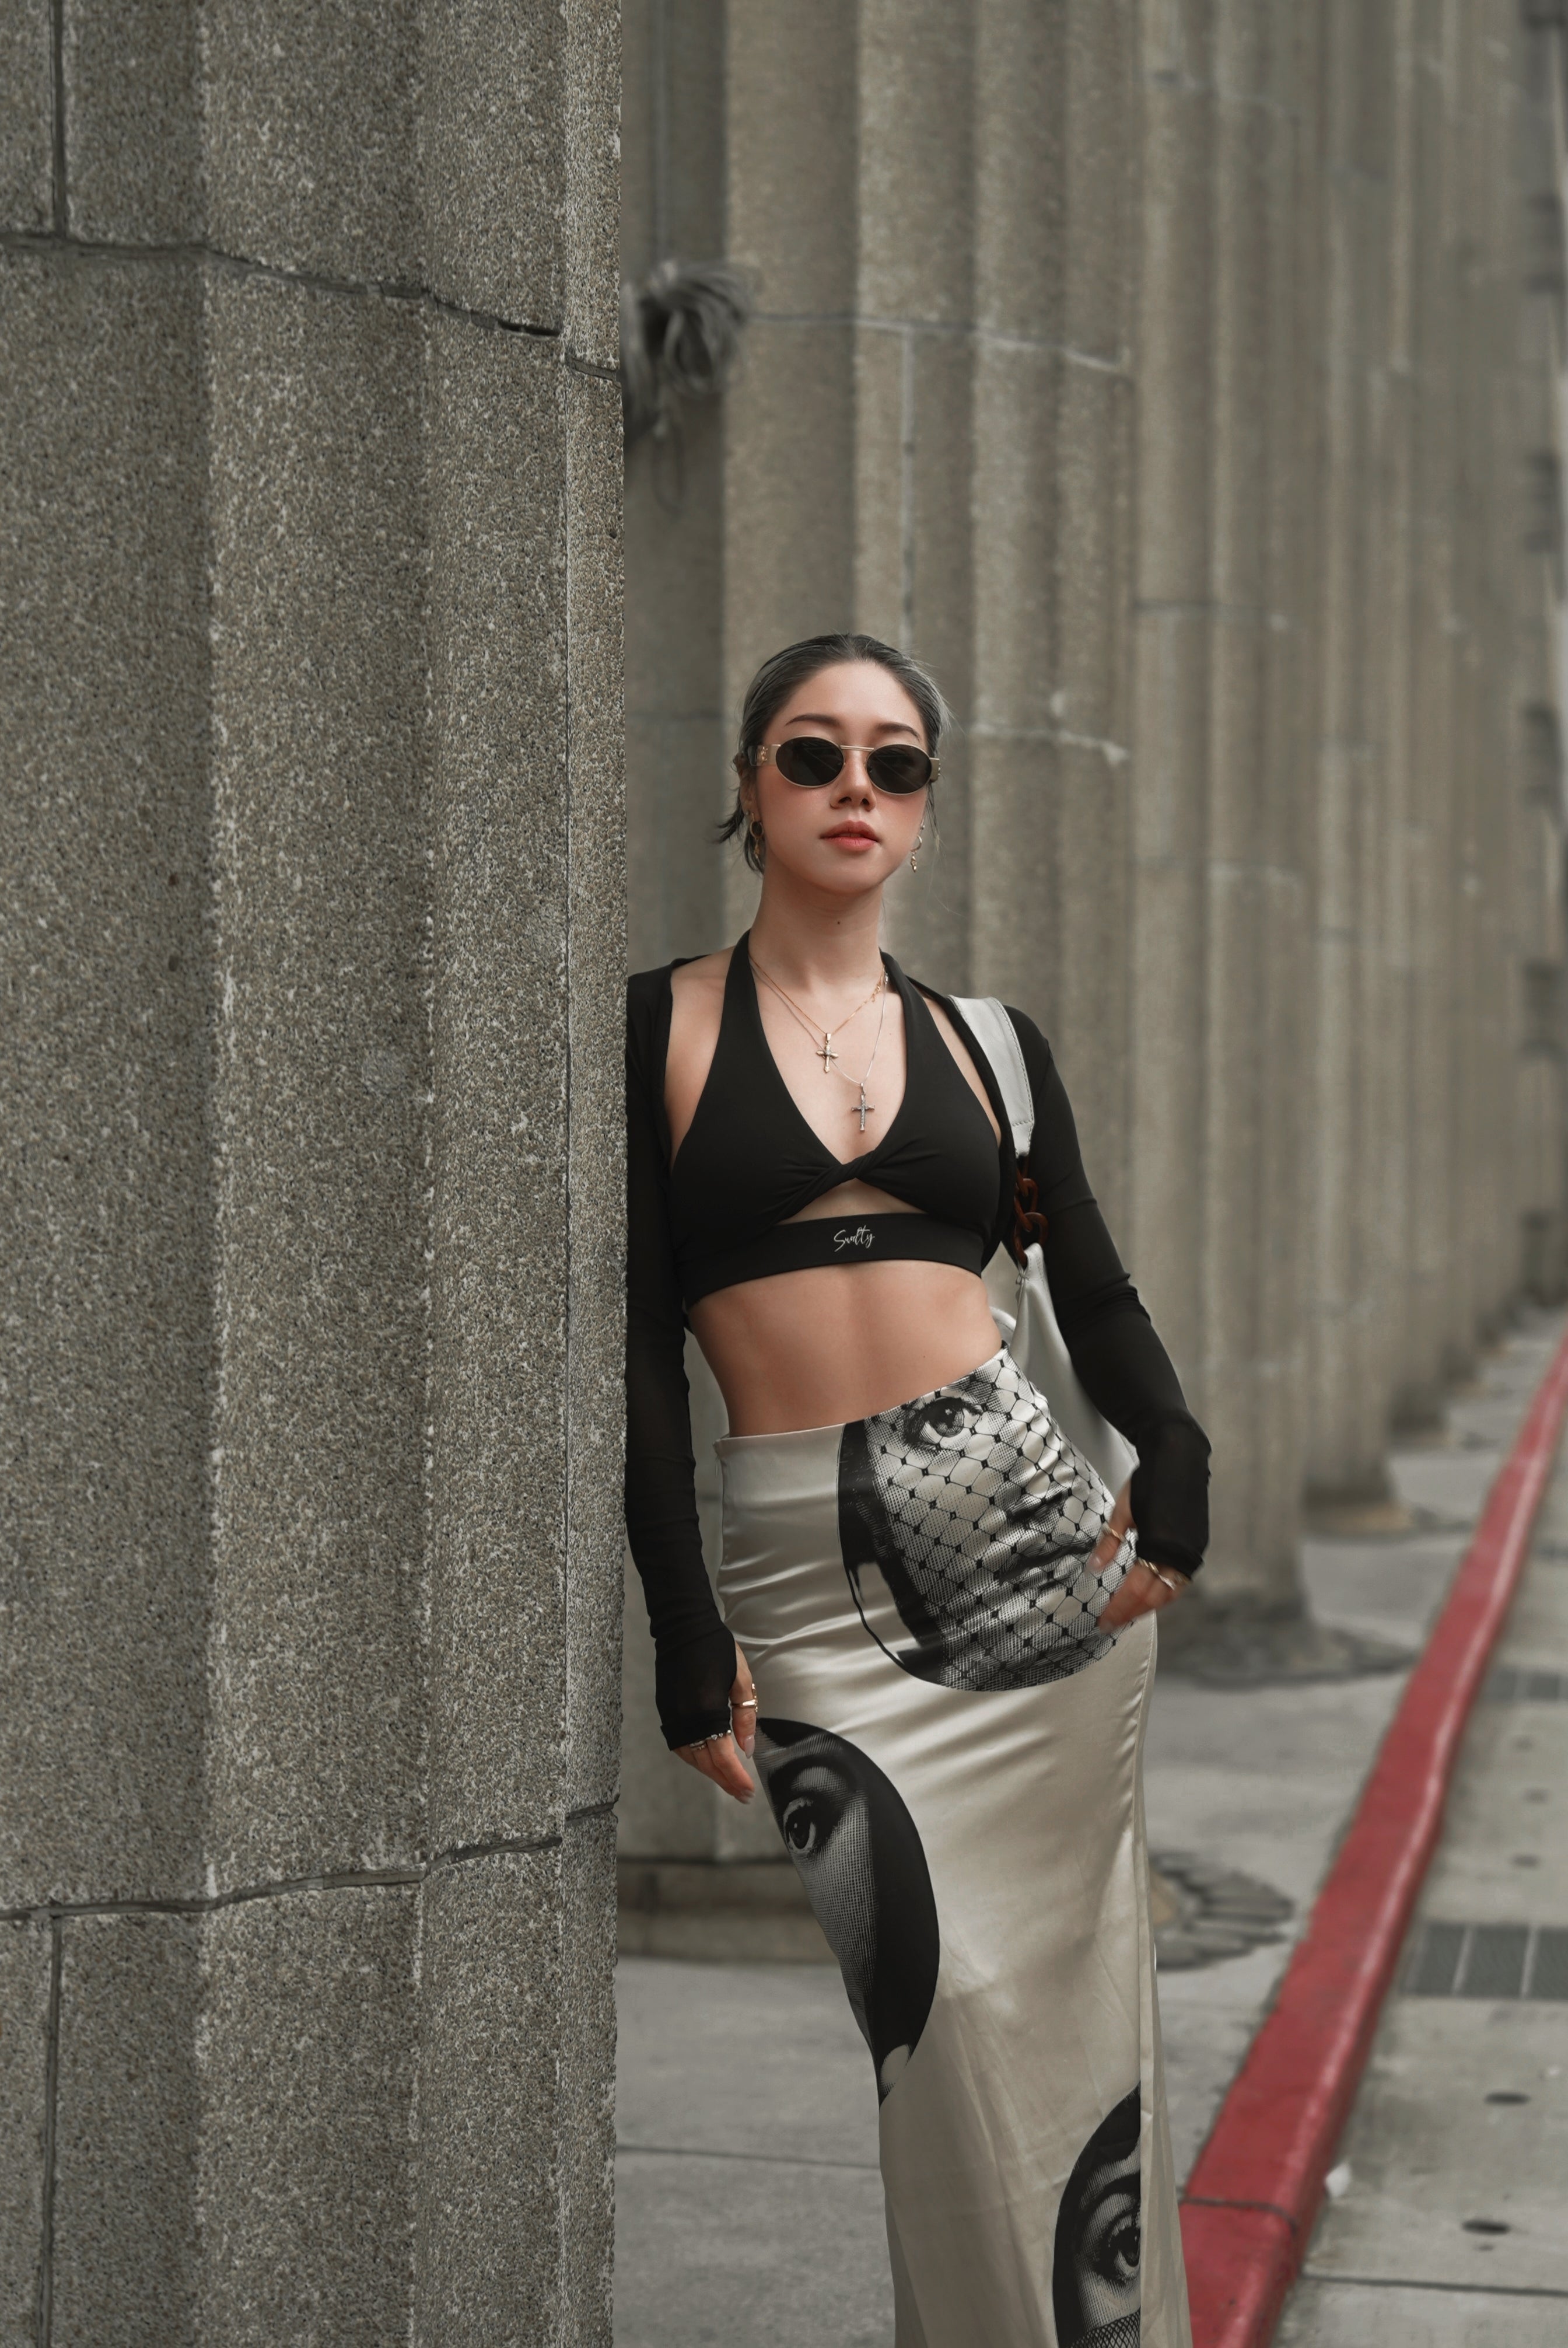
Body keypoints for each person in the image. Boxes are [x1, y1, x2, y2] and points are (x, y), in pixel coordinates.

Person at [626, 631, 1208, 2347]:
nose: (856, 789)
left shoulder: (993, 1048)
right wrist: (684, 1625)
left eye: (896, 763)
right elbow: (635, 1361)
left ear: (929, 807)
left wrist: (1177, 1450)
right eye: (814, 754)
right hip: (814, 1596)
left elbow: (1094, 1292)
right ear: (750, 787)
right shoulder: (655, 1028)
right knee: (932, 2026)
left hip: (1036, 1550)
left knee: (1076, 2044)